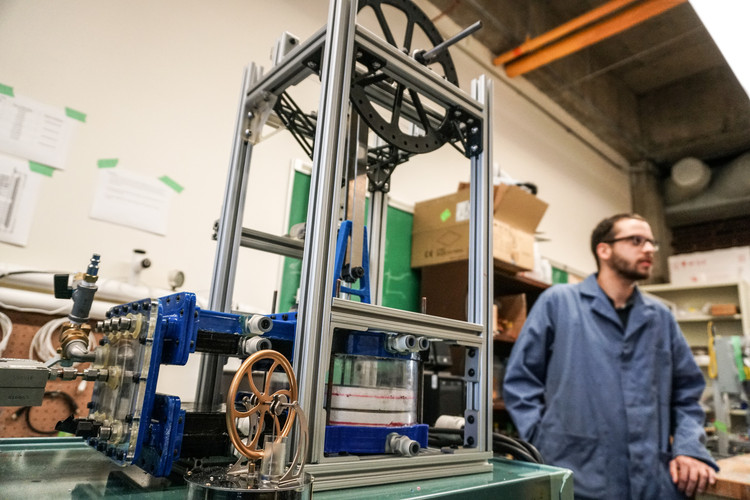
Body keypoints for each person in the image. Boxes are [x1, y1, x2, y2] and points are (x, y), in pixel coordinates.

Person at [503, 213, 718, 499]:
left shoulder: (660, 318)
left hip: (652, 481)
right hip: (577, 476)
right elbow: (520, 381)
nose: (650, 249)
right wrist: (544, 442)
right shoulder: (559, 303)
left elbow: (687, 395)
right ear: (604, 250)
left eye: (652, 243)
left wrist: (689, 448)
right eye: (636, 240)